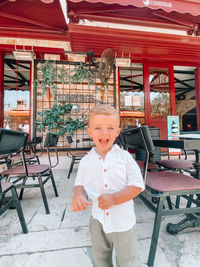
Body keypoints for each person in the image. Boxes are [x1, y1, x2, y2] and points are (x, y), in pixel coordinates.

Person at [71, 104, 145, 267]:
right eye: (98, 128)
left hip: (123, 222)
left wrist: (115, 198)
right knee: (101, 259)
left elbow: (137, 185)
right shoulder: (86, 161)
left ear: (117, 132)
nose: (104, 133)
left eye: (110, 128)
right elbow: (80, 184)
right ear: (90, 132)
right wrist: (78, 195)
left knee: (128, 261)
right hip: (97, 220)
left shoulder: (124, 157)